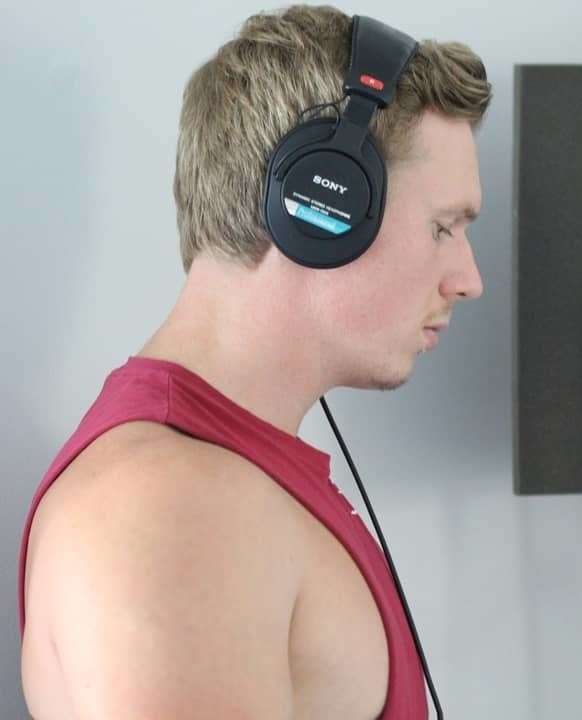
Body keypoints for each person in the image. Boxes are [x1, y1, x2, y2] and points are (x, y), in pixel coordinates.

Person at [18, 6, 491, 719]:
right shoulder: (172, 513)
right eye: (442, 227)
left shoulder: (217, 485)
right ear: (321, 204)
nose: (468, 279)